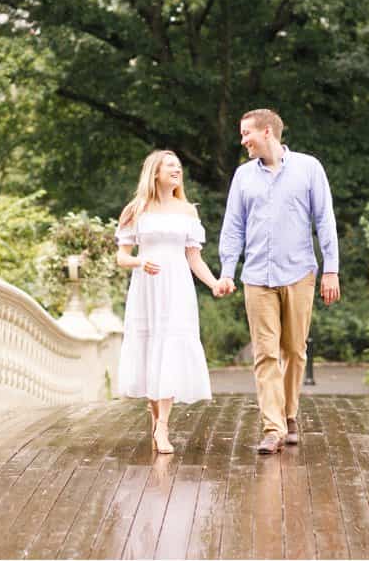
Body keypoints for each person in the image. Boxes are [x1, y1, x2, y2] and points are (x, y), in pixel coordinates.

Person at [217, 108, 341, 454]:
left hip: (299, 272)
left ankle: (289, 414)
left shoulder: (309, 168)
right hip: (256, 276)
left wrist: (331, 268)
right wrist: (228, 270)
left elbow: (325, 220)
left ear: (268, 132)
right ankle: (272, 428)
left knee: (294, 351)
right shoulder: (243, 176)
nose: (242, 140)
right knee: (265, 354)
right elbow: (233, 227)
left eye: (247, 134)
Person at [115, 150, 222, 454]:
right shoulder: (136, 210)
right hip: (146, 287)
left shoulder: (188, 211)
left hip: (177, 287)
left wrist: (214, 283)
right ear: (155, 173)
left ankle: (163, 427)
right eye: (170, 166)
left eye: (179, 166)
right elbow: (121, 256)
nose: (177, 171)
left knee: (171, 348)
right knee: (151, 349)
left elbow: (194, 258)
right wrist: (140, 262)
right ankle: (155, 419)